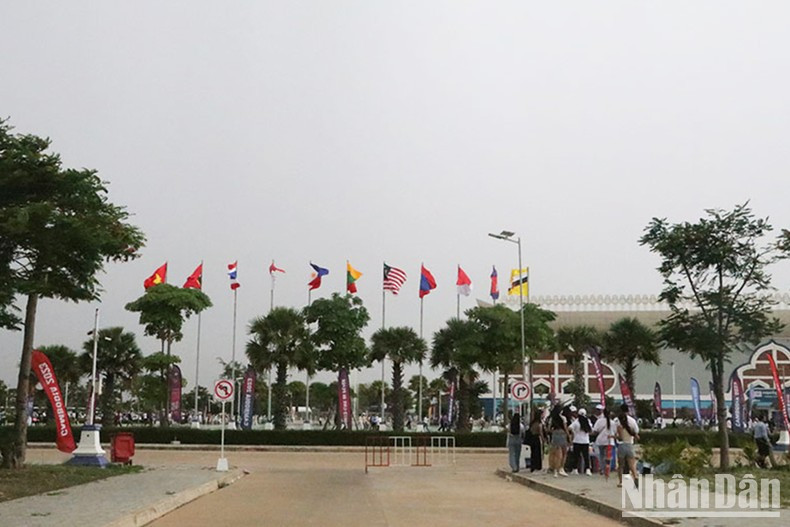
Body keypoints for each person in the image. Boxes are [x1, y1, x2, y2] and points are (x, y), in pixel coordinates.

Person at [616, 404, 640, 488]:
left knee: (621, 465)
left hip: (622, 445)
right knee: (632, 465)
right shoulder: (632, 421)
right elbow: (636, 432)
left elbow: (619, 437)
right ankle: (635, 477)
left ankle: (621, 482)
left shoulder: (618, 423)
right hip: (630, 444)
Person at [592, 407, 617, 479]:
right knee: (608, 456)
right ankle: (608, 469)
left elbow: (595, 430)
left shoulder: (599, 421)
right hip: (609, 441)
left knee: (601, 455)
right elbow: (615, 432)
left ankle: (602, 469)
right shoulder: (612, 422)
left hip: (601, 440)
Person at [548, 405, 570, 477]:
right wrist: (568, 436)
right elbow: (565, 428)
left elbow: (548, 429)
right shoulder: (563, 418)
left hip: (555, 434)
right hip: (562, 434)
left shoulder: (552, 419)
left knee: (556, 453)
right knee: (564, 452)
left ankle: (555, 470)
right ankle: (561, 468)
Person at [570, 408, 592, 475]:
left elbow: (569, 428)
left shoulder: (576, 422)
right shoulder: (588, 421)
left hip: (577, 441)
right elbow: (591, 430)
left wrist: (574, 432)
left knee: (576, 456)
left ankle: (575, 469)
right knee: (586, 456)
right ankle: (588, 469)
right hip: (585, 441)